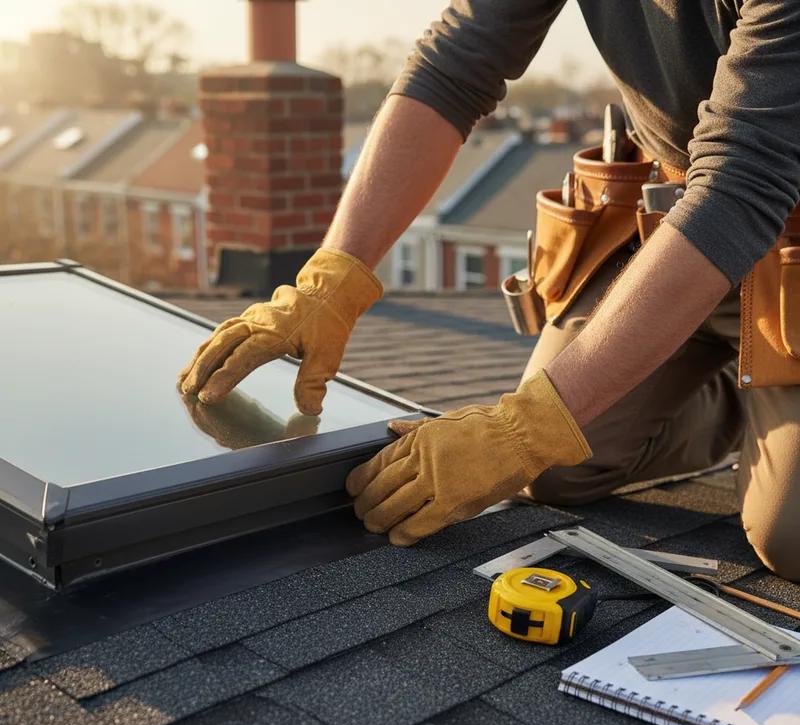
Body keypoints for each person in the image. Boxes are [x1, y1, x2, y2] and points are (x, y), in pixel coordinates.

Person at [179, 1, 800, 581]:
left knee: (789, 536)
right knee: (556, 466)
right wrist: (332, 278)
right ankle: (735, 401)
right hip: (673, 233)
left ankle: (768, 405)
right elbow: (454, 66)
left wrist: (524, 426)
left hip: (776, 235)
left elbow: (745, 180)